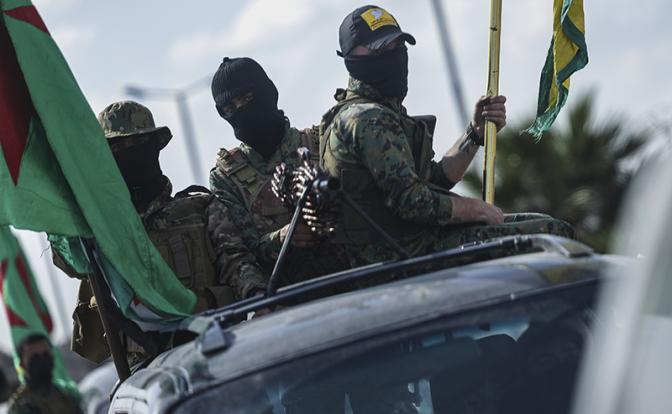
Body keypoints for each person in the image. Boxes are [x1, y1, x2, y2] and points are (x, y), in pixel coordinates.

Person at [319, 5, 574, 266]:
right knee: (552, 234)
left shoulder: (372, 113)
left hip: (414, 244)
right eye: (381, 50)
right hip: (396, 258)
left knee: (546, 225)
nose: (394, 56)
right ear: (352, 58)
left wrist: (475, 134)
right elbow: (412, 202)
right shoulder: (367, 119)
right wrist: (475, 209)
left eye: (398, 47)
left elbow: (432, 181)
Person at [52, 101, 266, 365]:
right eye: (117, 149)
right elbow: (70, 261)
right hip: (149, 369)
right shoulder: (101, 233)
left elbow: (236, 261)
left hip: (216, 348)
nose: (129, 155)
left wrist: (257, 297)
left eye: (138, 144)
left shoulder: (200, 208)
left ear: (155, 147)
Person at [209, 57, 349, 284]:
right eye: (230, 108)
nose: (241, 110)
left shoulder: (321, 143)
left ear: (267, 92)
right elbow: (240, 252)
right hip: (287, 294)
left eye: (247, 98)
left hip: (352, 278)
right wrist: (282, 238)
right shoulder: (226, 178)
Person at [7, 334, 82, 414]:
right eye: (35, 357)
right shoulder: (21, 405)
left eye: (46, 354)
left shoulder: (65, 396)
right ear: (22, 365)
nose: (42, 360)